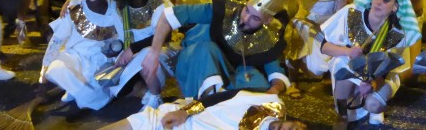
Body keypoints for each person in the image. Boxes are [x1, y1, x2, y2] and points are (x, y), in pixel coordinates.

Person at [141, 0, 290, 99]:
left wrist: (274, 90)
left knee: (258, 82)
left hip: (230, 71)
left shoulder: (268, 37)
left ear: (267, 21)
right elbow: (168, 15)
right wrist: (154, 53)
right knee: (207, 49)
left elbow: (275, 71)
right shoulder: (223, 11)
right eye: (247, 10)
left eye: (255, 18)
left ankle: (224, 103)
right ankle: (206, 103)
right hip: (195, 58)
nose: (245, 18)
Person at [321, 0, 420, 126]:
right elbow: (324, 47)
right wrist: (348, 51)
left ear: (395, 7)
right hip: (351, 65)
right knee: (342, 63)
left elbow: (386, 71)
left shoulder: (397, 34)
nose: (378, 2)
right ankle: (342, 117)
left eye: (386, 0)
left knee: (373, 104)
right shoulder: (352, 12)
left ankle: (375, 108)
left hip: (380, 76)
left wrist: (372, 84)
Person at [41, 0, 119, 110]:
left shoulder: (115, 13)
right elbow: (57, 39)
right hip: (75, 57)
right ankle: (90, 97)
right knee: (55, 68)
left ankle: (78, 93)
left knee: (89, 94)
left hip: (101, 62)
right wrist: (45, 66)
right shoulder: (75, 10)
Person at [108, 0, 172, 109]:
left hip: (158, 53)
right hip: (126, 57)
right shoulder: (117, 2)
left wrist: (133, 49)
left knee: (146, 55)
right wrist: (69, 3)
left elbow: (164, 36)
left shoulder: (157, 1)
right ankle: (141, 90)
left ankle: (155, 97)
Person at [102, 90, 306, 130]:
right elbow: (221, 96)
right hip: (176, 121)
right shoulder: (271, 102)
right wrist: (185, 112)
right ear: (298, 123)